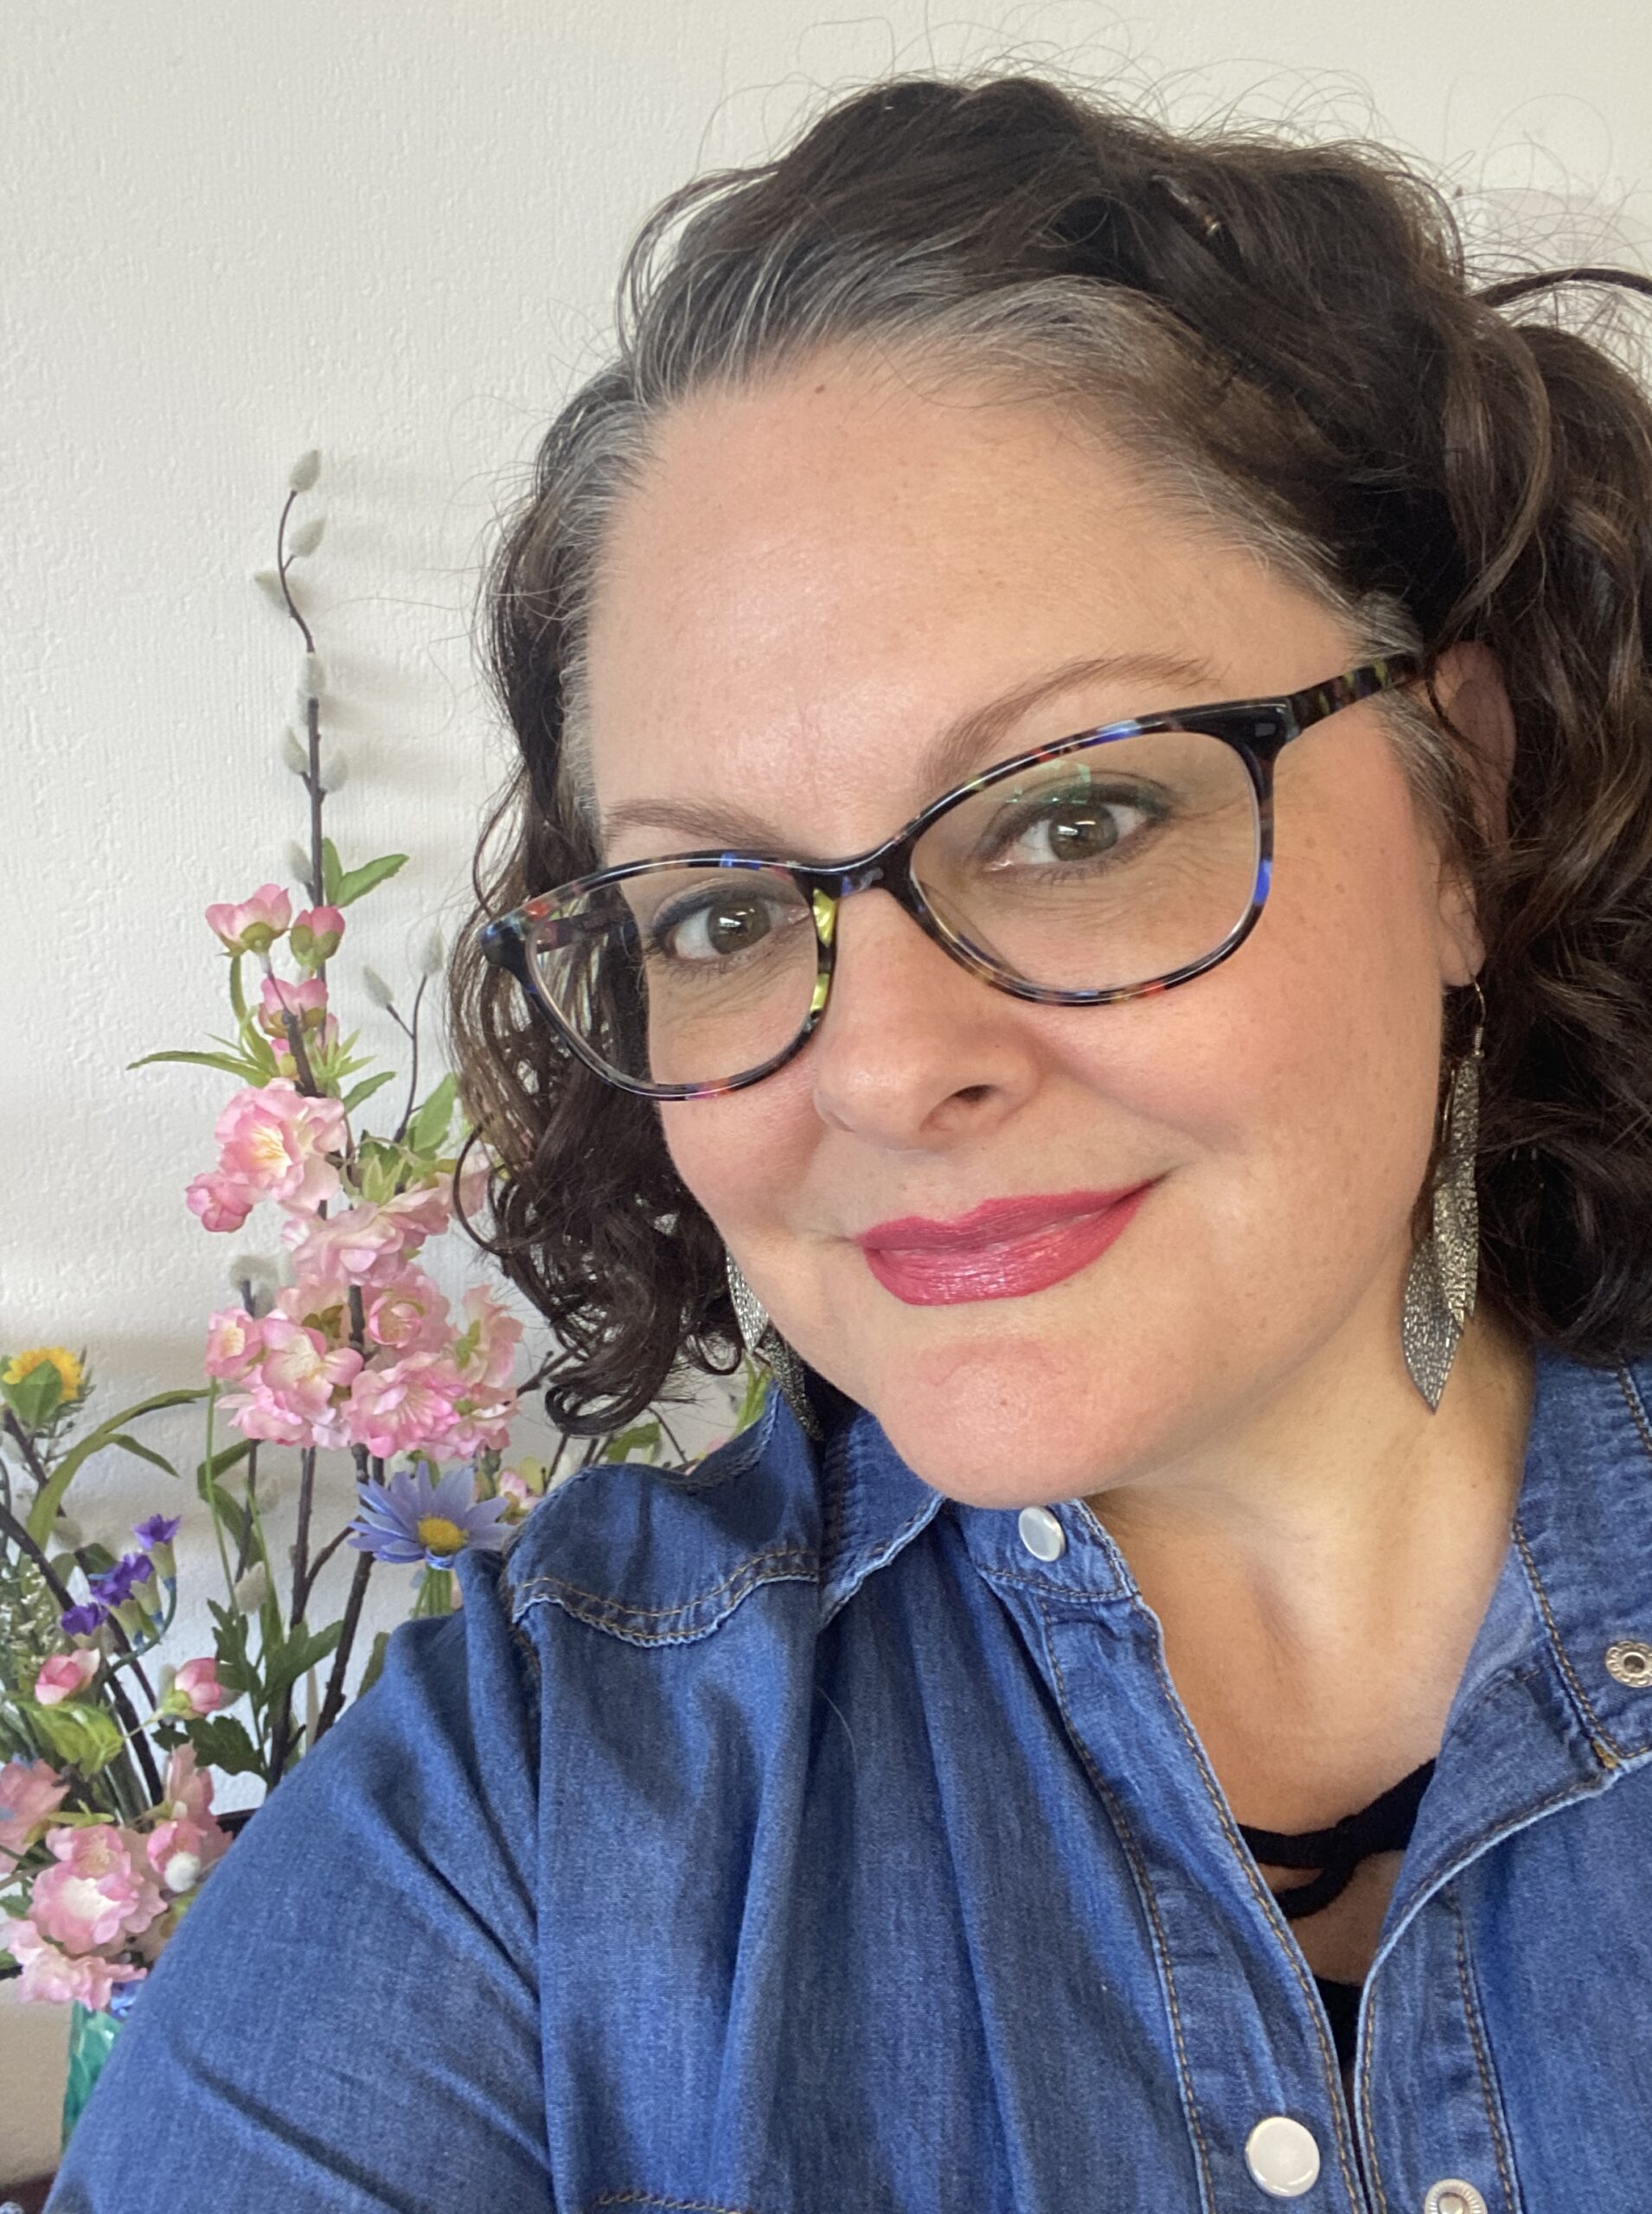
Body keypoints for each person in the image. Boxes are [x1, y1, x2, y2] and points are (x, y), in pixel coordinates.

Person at [50, 67, 1652, 2214]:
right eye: (719, 909)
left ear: (1466, 789)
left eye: (1079, 812)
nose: (884, 1069)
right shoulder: (515, 1822)